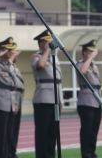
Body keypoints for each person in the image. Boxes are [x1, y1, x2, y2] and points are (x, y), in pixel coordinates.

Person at [0, 37, 24, 158]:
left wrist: (12, 59)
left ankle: (11, 154)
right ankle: (1, 155)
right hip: (1, 102)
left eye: (12, 50)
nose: (12, 52)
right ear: (2, 50)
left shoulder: (12, 65)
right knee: (1, 134)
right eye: (9, 50)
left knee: (12, 133)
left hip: (14, 103)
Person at [31, 30, 63, 158]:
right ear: (40, 43)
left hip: (55, 100)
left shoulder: (54, 57)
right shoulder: (36, 56)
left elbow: (58, 81)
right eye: (46, 42)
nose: (49, 44)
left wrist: (60, 101)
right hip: (43, 100)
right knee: (42, 135)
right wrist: (47, 50)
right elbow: (41, 65)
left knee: (52, 134)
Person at [76, 39, 102, 158]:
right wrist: (90, 58)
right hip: (86, 101)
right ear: (84, 52)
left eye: (93, 51)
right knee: (86, 129)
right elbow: (82, 71)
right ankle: (86, 153)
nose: (92, 53)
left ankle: (92, 152)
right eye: (90, 51)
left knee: (94, 130)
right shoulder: (80, 63)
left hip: (96, 100)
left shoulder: (94, 65)